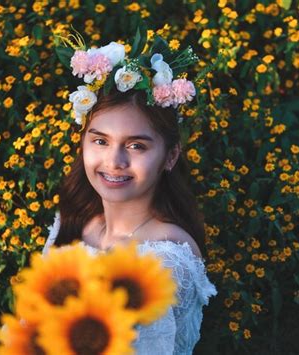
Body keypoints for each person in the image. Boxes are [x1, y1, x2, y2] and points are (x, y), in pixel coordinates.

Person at [43, 38, 217, 354]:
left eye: (136, 146)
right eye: (100, 142)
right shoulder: (73, 221)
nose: (114, 162)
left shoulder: (166, 259)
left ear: (170, 156)